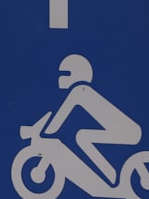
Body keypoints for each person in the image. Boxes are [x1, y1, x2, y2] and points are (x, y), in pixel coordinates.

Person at [43, 54, 141, 185]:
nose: (61, 78)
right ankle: (110, 174)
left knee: (82, 136)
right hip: (127, 131)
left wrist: (45, 133)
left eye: (65, 74)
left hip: (128, 132)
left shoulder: (79, 91)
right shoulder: (84, 91)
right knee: (82, 135)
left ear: (75, 74)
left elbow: (61, 116)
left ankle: (110, 174)